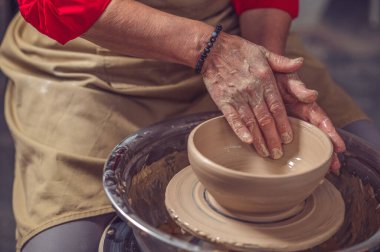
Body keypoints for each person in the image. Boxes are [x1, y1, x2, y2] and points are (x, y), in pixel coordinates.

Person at [0, 0, 379, 251]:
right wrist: (208, 51)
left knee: (367, 172)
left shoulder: (247, 53)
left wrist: (264, 62)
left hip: (239, 40)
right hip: (94, 56)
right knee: (64, 244)